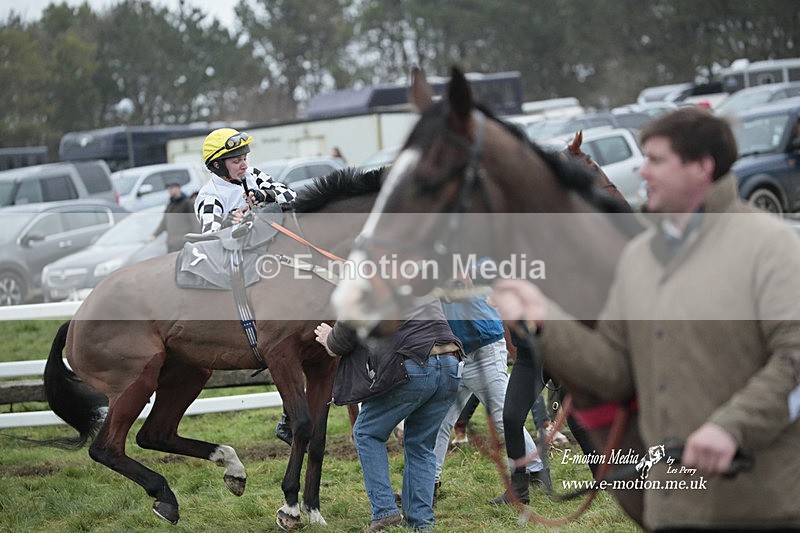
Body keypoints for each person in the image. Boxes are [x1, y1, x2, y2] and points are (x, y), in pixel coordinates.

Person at [490, 107, 800, 531]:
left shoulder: (771, 246)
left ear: (701, 167)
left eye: (656, 160)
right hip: (672, 510)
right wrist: (545, 320)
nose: (641, 170)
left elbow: (794, 361)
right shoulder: (639, 258)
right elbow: (615, 370)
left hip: (763, 506)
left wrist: (731, 429)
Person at [315, 297, 461, 532]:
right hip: (450, 364)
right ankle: (422, 523)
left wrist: (329, 338)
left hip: (414, 364)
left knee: (366, 432)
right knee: (421, 445)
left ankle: (384, 512)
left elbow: (340, 342)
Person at [433, 261, 547, 506]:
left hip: (484, 346)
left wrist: (468, 272)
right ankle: (427, 483)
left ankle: (536, 471)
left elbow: (495, 268)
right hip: (454, 350)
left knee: (504, 416)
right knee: (439, 419)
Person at [195, 127, 297, 234]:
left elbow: (292, 195)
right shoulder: (210, 196)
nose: (245, 166)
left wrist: (264, 195)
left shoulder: (252, 174)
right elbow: (209, 234)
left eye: (244, 158)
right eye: (237, 161)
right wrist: (227, 223)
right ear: (217, 165)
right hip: (242, 249)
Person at [149, 181, 198, 252]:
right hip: (172, 243)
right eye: (169, 189)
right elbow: (164, 223)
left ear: (178, 189)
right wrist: (154, 235)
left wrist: (195, 240)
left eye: (172, 188)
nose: (170, 190)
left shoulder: (187, 203)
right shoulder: (170, 205)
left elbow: (195, 222)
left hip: (184, 242)